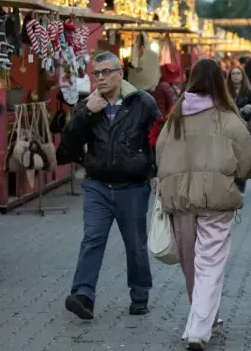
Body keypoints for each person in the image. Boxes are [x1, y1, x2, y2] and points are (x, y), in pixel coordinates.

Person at [155, 59, 251, 350]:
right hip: (216, 199)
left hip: (180, 200)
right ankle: (199, 328)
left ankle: (206, 319)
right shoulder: (227, 117)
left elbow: (159, 154)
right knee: (209, 262)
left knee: (191, 263)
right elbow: (247, 159)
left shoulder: (175, 116)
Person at [56, 52, 161, 320]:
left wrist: (156, 172)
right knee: (92, 240)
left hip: (133, 187)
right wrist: (84, 114)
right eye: (96, 73)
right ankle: (83, 296)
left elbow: (158, 139)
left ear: (120, 74)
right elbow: (68, 144)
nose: (100, 78)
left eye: (105, 72)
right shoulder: (89, 104)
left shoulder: (143, 102)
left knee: (135, 244)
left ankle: (139, 294)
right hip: (97, 185)